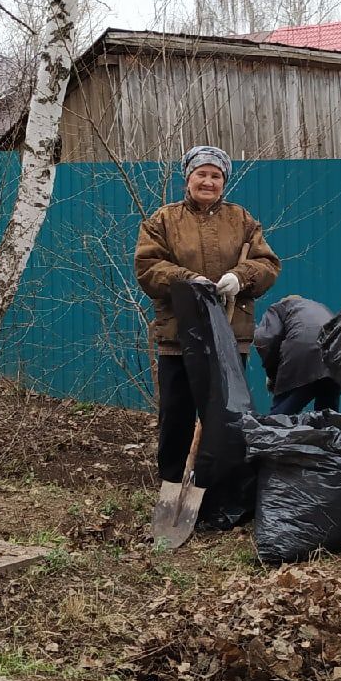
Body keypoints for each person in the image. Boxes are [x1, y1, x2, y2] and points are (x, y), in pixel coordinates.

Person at [134, 145, 280, 527]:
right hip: (178, 336)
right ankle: (172, 484)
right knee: (176, 415)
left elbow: (267, 264)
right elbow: (147, 267)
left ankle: (216, 494)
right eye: (202, 174)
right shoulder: (163, 220)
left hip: (230, 335)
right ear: (188, 178)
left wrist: (240, 277)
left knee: (224, 418)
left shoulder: (242, 220)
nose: (208, 181)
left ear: (224, 182)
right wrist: (186, 280)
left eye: (216, 176)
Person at [253, 295, 341, 416]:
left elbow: (266, 340)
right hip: (334, 357)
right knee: (328, 418)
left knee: (280, 418)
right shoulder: (320, 307)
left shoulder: (279, 308)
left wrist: (273, 375)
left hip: (303, 355)